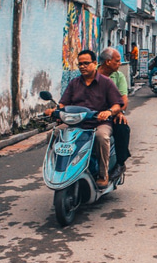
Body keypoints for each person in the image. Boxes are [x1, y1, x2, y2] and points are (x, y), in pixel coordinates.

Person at [45, 49, 123, 188]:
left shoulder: (106, 83)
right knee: (54, 134)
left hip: (99, 123)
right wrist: (55, 111)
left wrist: (108, 111)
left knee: (101, 137)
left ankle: (102, 175)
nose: (82, 66)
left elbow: (118, 104)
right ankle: (60, 170)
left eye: (86, 63)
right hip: (76, 123)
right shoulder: (74, 83)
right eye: (80, 64)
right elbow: (64, 103)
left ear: (94, 63)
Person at [97, 47, 131, 178]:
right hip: (91, 112)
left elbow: (124, 99)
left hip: (112, 113)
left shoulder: (118, 76)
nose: (119, 63)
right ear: (107, 62)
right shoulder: (91, 74)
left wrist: (119, 111)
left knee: (122, 128)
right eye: (117, 61)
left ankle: (120, 163)